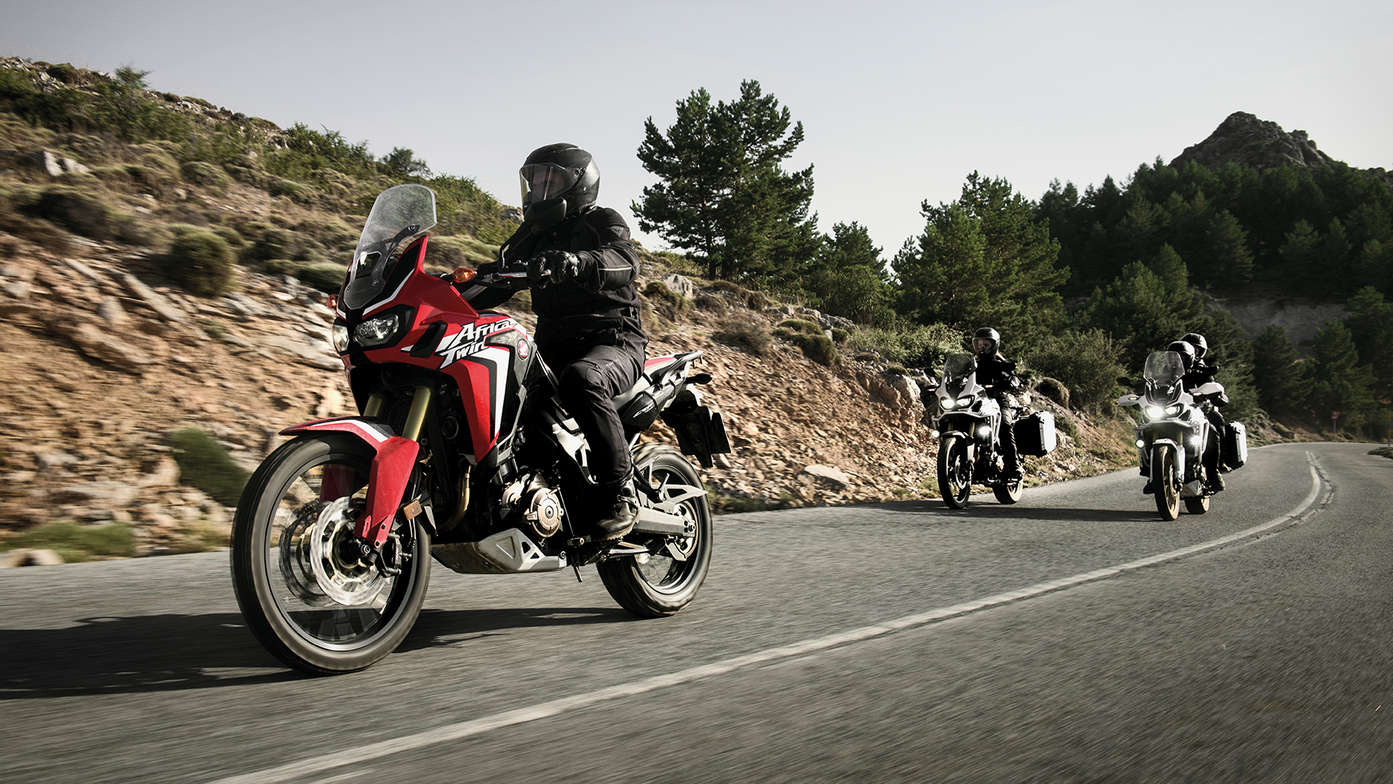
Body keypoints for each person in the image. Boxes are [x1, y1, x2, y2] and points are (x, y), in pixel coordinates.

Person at [461, 143, 646, 539]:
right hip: (552, 348)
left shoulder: (602, 221)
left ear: (579, 183)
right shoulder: (533, 235)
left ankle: (620, 491)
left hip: (612, 341)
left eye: (552, 179)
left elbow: (624, 261)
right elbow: (498, 276)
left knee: (583, 379)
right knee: (507, 397)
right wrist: (445, 295)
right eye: (536, 180)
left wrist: (580, 262)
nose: (541, 189)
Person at [970, 327, 1023, 482]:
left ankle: (1014, 465)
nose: (981, 347)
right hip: (977, 401)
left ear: (993, 345)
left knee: (1005, 426)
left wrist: (1010, 381)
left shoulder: (1000, 363)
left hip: (998, 400)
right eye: (979, 344)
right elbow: (959, 377)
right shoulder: (972, 364)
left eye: (985, 344)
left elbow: (1013, 378)